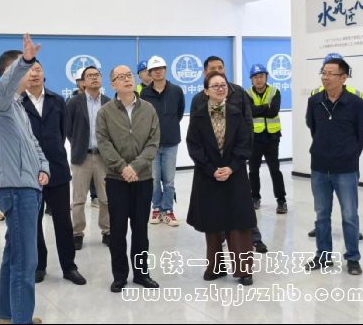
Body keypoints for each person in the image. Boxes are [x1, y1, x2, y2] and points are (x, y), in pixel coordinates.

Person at [0, 35, 50, 325]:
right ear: (10, 72)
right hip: (17, 190)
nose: (33, 72)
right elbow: (6, 85)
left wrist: (43, 167)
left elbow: (33, 144)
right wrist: (26, 59)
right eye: (26, 68)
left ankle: (8, 317)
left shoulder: (18, 107)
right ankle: (22, 320)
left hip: (28, 187)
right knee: (25, 262)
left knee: (13, 257)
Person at [191, 56, 268, 254]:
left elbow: (247, 125)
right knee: (215, 211)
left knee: (242, 209)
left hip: (234, 163)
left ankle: (255, 238)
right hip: (211, 166)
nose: (218, 71)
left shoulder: (238, 92)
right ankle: (219, 248)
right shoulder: (198, 99)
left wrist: (238, 159)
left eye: (221, 67)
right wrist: (210, 166)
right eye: (213, 69)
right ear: (205, 74)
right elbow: (195, 136)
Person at [187, 72, 256, 287]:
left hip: (235, 174)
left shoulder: (236, 113)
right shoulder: (198, 116)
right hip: (208, 175)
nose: (220, 89)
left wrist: (231, 167)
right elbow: (194, 146)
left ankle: (244, 270)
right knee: (212, 222)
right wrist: (211, 169)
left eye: (223, 85)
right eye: (215, 86)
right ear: (206, 91)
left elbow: (244, 142)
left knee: (239, 222)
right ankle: (215, 267)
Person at [96, 65, 161, 293]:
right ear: (112, 85)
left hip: (143, 179)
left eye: (129, 75)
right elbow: (104, 143)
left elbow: (153, 142)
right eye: (120, 77)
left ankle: (142, 274)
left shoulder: (149, 109)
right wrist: (123, 167)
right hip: (117, 180)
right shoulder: (105, 112)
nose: (127, 79)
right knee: (118, 229)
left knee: (141, 229)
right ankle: (120, 276)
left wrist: (136, 167)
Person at [22, 61, 87, 286]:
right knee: (34, 222)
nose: (34, 74)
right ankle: (39, 265)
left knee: (63, 221)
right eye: (29, 71)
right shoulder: (17, 102)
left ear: (44, 73)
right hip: (29, 172)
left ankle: (69, 267)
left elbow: (62, 132)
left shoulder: (57, 100)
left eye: (38, 69)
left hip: (57, 170)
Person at [304, 58, 363, 276]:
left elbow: (361, 135)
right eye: (324, 73)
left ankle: (353, 258)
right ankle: (323, 256)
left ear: (343, 77)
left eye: (331, 74)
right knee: (322, 214)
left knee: (349, 215)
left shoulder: (356, 103)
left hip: (346, 169)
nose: (325, 77)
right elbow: (313, 128)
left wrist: (348, 156)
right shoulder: (314, 101)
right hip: (319, 167)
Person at [67, 66, 111, 251]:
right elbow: (68, 129)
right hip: (81, 157)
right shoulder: (74, 102)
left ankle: (107, 231)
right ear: (82, 82)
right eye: (90, 76)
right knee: (78, 199)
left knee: (106, 198)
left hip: (103, 158)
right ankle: (77, 233)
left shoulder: (109, 102)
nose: (94, 78)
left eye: (97, 75)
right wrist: (79, 145)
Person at [141, 56, 185, 227]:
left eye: (160, 68)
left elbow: (179, 113)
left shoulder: (176, 91)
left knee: (169, 181)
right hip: (151, 144)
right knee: (153, 180)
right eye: (154, 69)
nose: (157, 72)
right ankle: (157, 209)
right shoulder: (144, 93)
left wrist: (169, 126)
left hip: (171, 142)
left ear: (165, 70)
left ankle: (168, 211)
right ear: (149, 73)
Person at [246, 64, 288, 214]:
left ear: (266, 77)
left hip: (272, 137)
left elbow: (273, 112)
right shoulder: (247, 94)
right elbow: (249, 112)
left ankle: (281, 200)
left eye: (261, 76)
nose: (259, 80)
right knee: (253, 170)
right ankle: (254, 198)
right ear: (251, 79)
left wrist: (258, 110)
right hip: (255, 138)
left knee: (275, 170)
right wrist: (265, 107)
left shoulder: (274, 92)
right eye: (256, 77)